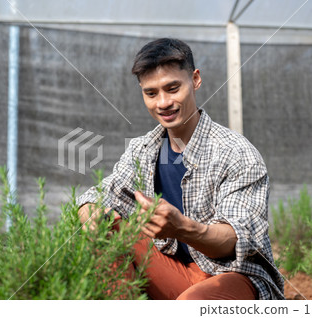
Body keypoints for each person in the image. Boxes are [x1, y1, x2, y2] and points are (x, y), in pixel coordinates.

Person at [77, 38, 284, 300]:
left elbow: (234, 239)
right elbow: (97, 195)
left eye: (172, 88)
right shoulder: (143, 150)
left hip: (230, 275)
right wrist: (90, 213)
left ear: (195, 80)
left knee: (192, 303)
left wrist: (182, 228)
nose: (162, 102)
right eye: (151, 93)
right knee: (106, 231)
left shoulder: (235, 152)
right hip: (174, 273)